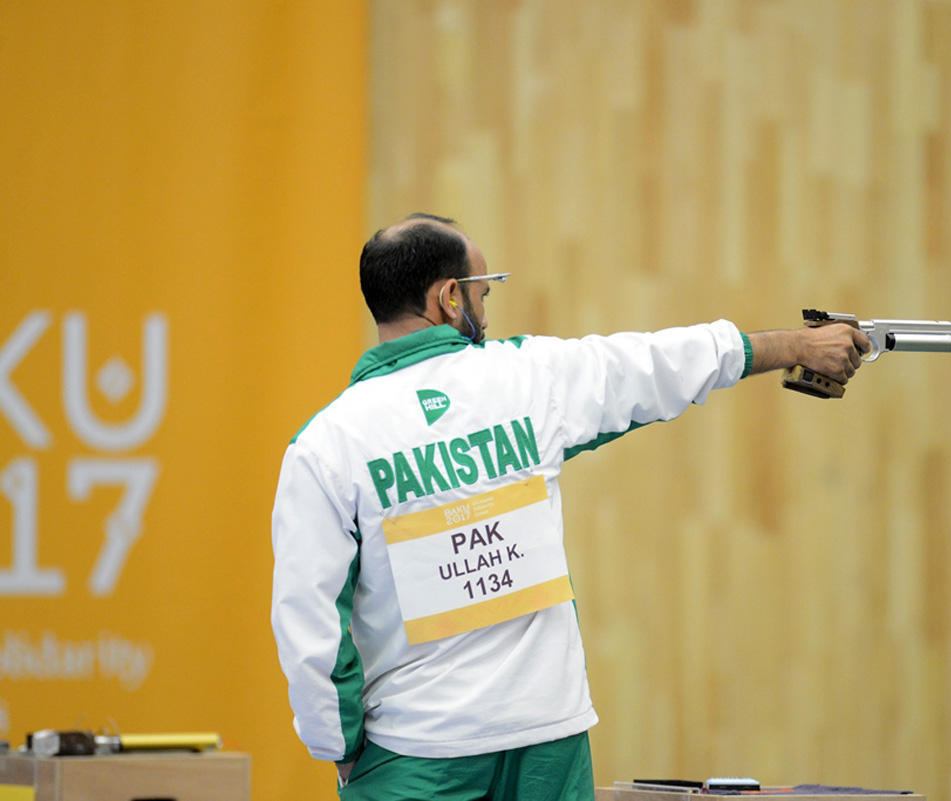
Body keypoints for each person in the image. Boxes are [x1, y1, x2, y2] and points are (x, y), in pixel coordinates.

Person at [270, 213, 868, 800]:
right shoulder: (529, 379)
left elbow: (309, 621)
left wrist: (339, 746)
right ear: (450, 297)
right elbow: (666, 361)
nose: (488, 304)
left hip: (416, 755)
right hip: (547, 745)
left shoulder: (325, 446)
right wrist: (799, 345)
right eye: (484, 289)